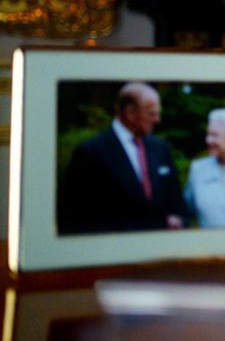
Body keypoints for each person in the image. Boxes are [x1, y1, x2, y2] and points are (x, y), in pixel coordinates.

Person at [58, 82, 186, 234]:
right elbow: (71, 215)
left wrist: (177, 218)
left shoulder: (160, 148)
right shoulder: (91, 152)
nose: (157, 120)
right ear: (130, 112)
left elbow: (177, 201)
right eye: (152, 114)